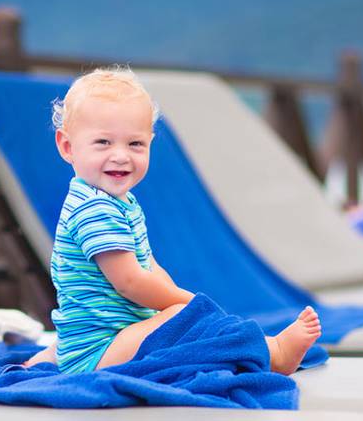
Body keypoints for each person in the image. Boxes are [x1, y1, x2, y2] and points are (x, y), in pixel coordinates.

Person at [24, 67, 321, 374]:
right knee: (189, 322)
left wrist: (173, 298)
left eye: (135, 144)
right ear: (67, 147)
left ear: (150, 143)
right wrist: (189, 305)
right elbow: (130, 282)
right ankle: (275, 353)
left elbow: (149, 266)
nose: (121, 156)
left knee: (182, 319)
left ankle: (45, 361)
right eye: (103, 142)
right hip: (100, 349)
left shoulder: (119, 202)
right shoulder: (95, 209)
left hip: (106, 337)